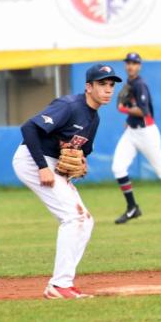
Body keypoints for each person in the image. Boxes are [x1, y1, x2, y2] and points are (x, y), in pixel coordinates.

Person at [13, 64, 122, 299]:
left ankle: (64, 283)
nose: (108, 90)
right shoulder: (69, 106)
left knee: (85, 220)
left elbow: (84, 149)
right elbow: (29, 127)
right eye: (102, 84)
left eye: (111, 85)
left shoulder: (93, 119)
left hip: (52, 164)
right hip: (33, 160)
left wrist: (81, 160)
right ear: (88, 87)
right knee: (73, 218)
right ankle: (59, 286)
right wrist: (43, 167)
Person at [112, 52, 161, 224]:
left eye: (134, 63)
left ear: (139, 66)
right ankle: (132, 207)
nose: (130, 66)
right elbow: (134, 110)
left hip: (147, 133)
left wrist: (123, 110)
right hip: (132, 132)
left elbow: (143, 111)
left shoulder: (140, 85)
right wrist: (128, 120)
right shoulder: (130, 83)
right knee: (118, 167)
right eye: (128, 63)